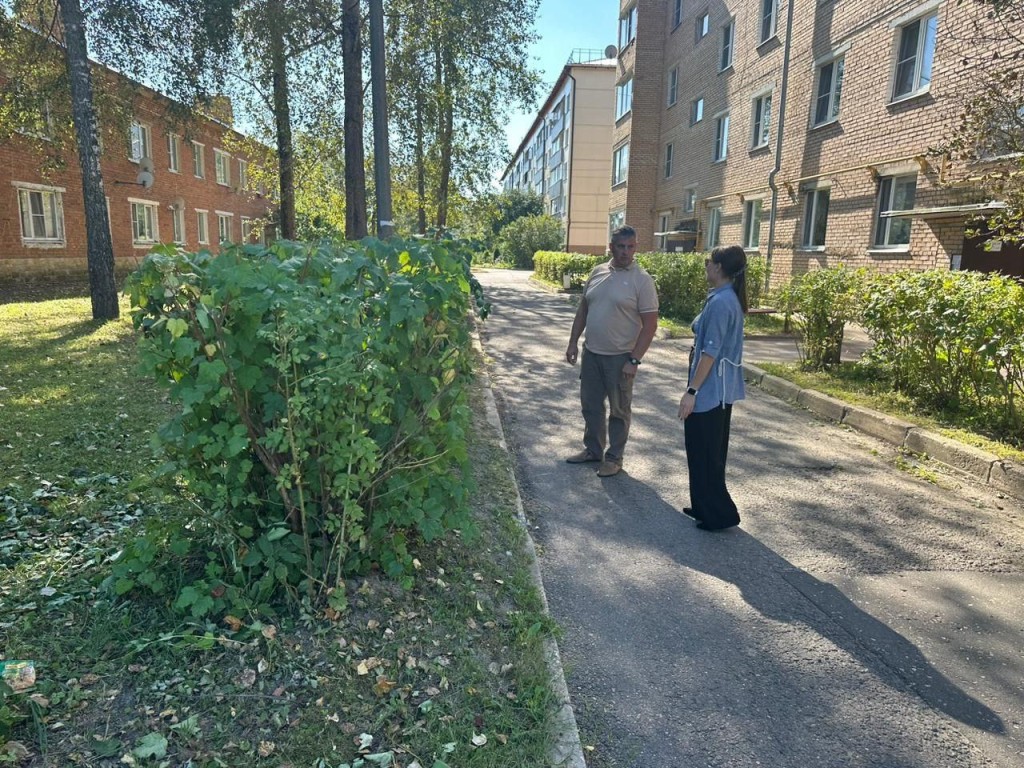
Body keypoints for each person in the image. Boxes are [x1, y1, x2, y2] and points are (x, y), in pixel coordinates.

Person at [565, 225, 659, 477]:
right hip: (592, 353)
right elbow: (583, 310)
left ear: (636, 247)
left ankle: (614, 458)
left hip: (620, 357)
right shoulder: (597, 272)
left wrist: (634, 360)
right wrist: (573, 341)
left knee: (619, 410)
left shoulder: (642, 280)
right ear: (611, 247)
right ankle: (593, 450)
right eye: (621, 246)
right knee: (591, 406)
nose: (625, 252)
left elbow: (650, 325)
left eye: (630, 247)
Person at [677, 244, 748, 530]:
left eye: (709, 261)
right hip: (717, 389)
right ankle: (703, 505)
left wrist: (691, 392)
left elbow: (711, 352)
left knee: (706, 451)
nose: (706, 266)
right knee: (703, 449)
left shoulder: (722, 302)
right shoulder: (722, 298)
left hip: (711, 390)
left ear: (718, 267)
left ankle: (719, 514)